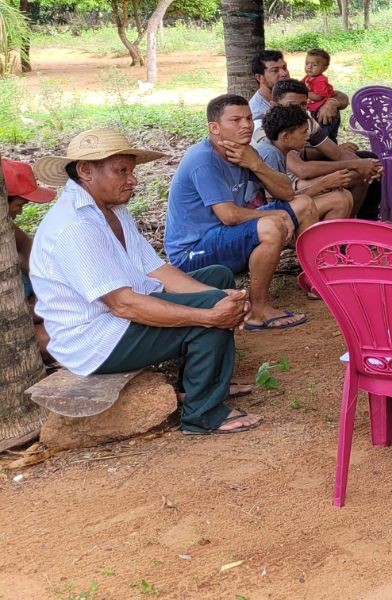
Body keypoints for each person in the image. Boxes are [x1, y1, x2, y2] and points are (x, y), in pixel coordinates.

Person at [30, 127, 261, 435]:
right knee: (210, 313)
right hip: (97, 339)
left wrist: (226, 296)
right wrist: (209, 314)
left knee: (216, 279)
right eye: (121, 171)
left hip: (120, 317)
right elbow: (123, 305)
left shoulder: (111, 210)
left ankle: (200, 383)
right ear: (86, 171)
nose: (132, 179)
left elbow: (156, 269)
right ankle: (203, 414)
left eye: (132, 170)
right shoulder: (74, 226)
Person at [164, 94, 307, 331]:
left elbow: (287, 193)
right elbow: (228, 215)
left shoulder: (243, 152)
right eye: (236, 120)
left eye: (249, 118)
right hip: (191, 253)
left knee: (303, 204)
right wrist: (274, 216)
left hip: (222, 235)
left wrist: (256, 165)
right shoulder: (203, 159)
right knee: (270, 227)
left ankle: (313, 281)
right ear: (214, 128)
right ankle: (257, 310)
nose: (246, 125)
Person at [268, 79, 385, 221]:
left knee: (362, 170)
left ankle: (353, 228)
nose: (298, 110)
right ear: (273, 105)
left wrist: (369, 166)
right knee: (341, 196)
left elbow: (336, 153)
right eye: (292, 105)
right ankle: (332, 236)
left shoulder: (305, 121)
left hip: (297, 181)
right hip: (288, 186)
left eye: (303, 105)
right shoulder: (268, 128)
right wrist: (356, 165)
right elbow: (302, 170)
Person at [253, 105, 356, 224]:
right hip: (264, 217)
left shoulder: (277, 148)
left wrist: (324, 185)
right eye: (303, 132)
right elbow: (274, 204)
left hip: (277, 209)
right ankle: (315, 242)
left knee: (344, 195)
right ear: (285, 137)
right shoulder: (271, 154)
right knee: (339, 200)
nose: (307, 137)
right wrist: (323, 184)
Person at [6, 159, 56, 362]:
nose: (19, 212)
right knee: (58, 340)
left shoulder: (8, 231)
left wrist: (41, 290)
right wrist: (32, 312)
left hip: (31, 309)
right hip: (12, 326)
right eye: (18, 205)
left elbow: (29, 250)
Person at [249, 49, 347, 144]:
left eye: (284, 67)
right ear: (259, 77)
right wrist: (334, 151)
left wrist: (331, 103)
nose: (284, 73)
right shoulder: (257, 113)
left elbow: (342, 97)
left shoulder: (292, 90)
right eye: (275, 71)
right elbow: (283, 151)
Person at [302, 48, 341, 142]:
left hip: (321, 112)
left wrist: (302, 92)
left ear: (325, 67)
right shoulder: (307, 78)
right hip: (312, 110)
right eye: (307, 63)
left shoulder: (321, 80)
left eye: (314, 65)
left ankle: (327, 149)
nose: (309, 67)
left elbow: (317, 96)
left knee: (321, 136)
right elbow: (299, 86)